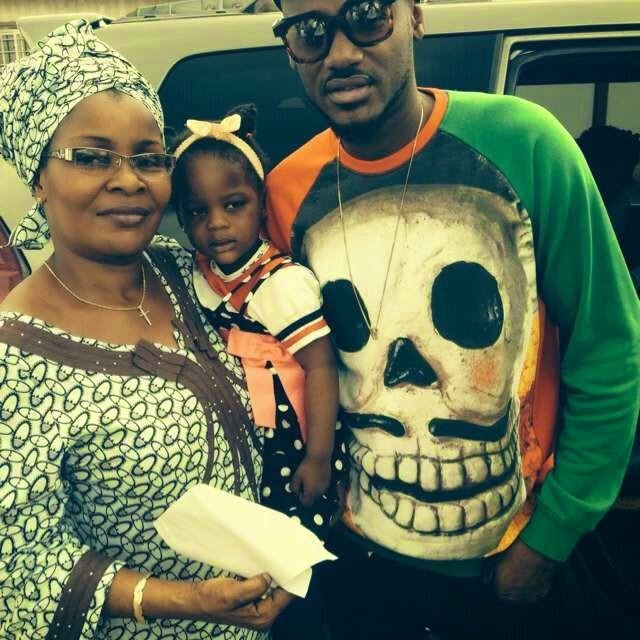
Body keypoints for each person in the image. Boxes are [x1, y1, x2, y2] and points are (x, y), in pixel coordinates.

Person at [265, 0, 640, 638]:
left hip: (511, 573)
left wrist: (550, 538)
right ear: (290, 46)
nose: (342, 52)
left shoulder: (526, 144)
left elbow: (607, 348)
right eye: (311, 30)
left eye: (367, 14)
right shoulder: (285, 191)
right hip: (354, 573)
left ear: (414, 14)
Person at [0, 20, 292, 640]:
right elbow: (20, 565)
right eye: (91, 157)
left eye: (149, 158)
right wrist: (188, 600)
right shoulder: (16, 359)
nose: (129, 179)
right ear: (38, 178)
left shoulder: (192, 273)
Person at [169, 104, 347, 639]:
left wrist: (318, 457)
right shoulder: (201, 274)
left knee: (299, 552)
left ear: (261, 203)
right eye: (197, 211)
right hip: (250, 436)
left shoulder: (281, 284)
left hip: (294, 437)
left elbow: (321, 368)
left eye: (233, 205)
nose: (216, 223)